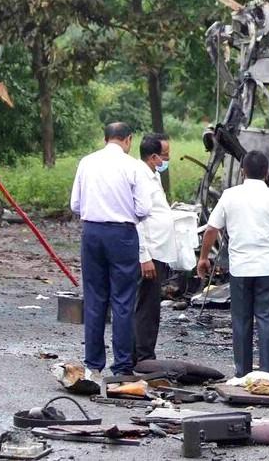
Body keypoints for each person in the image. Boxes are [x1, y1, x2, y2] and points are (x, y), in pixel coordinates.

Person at [198, 151, 269, 378]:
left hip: (240, 269)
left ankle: (242, 373)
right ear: (267, 172)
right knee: (268, 320)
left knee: (241, 320)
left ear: (243, 170)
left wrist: (204, 258)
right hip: (268, 268)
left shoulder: (230, 196)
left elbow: (212, 229)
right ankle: (268, 374)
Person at [70, 122, 153, 377]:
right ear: (128, 140)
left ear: (105, 138)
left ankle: (93, 364)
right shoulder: (134, 166)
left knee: (95, 298)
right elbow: (144, 209)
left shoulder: (87, 162)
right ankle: (122, 365)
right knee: (123, 301)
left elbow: (75, 204)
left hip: (92, 233)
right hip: (123, 235)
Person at [133, 133, 176, 366]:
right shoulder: (141, 178)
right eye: (165, 156)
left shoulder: (152, 175)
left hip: (157, 250)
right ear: (153, 157)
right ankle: (143, 357)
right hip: (149, 252)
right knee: (146, 307)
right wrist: (144, 256)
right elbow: (137, 219)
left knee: (149, 306)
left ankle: (140, 354)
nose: (167, 160)